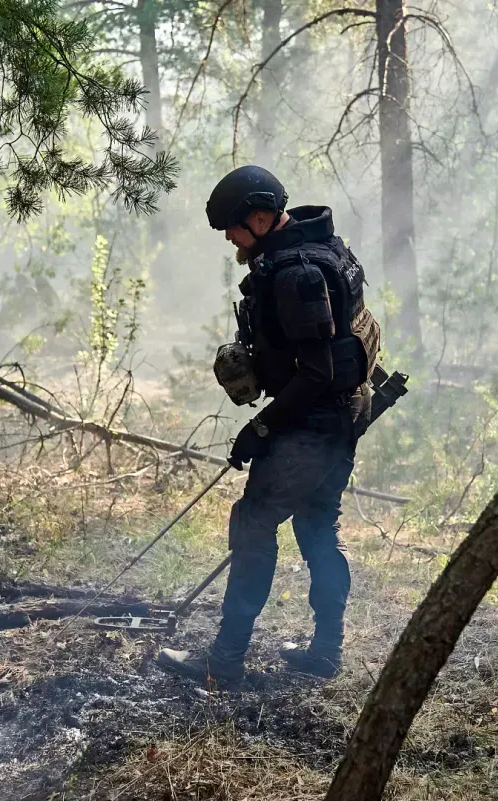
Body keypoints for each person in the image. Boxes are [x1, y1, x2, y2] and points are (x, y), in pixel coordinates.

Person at [158, 165, 381, 685]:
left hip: (314, 424)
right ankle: (326, 652)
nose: (231, 239)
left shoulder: (295, 273)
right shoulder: (321, 249)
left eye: (233, 228)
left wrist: (260, 428)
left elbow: (318, 372)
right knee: (317, 528)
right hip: (341, 416)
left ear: (260, 218)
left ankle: (224, 662)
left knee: (254, 525)